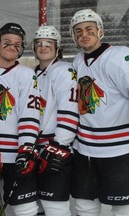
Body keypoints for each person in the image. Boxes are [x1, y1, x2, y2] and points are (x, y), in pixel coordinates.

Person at [0, 22, 41, 216]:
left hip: (15, 152)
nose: (12, 46)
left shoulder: (27, 75)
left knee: (25, 208)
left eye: (17, 44)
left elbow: (30, 114)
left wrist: (26, 149)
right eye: (7, 42)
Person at [69, 8, 129, 216]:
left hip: (119, 149)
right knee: (84, 204)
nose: (84, 34)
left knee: (123, 206)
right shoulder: (77, 61)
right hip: (85, 149)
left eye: (89, 29)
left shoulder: (119, 56)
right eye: (78, 31)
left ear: (100, 32)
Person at [32, 25, 79, 216]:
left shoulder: (64, 70)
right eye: (39, 43)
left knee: (55, 205)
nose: (43, 47)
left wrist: (60, 146)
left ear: (58, 47)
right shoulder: (34, 73)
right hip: (37, 147)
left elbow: (69, 109)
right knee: (38, 205)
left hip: (56, 147)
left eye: (49, 43)